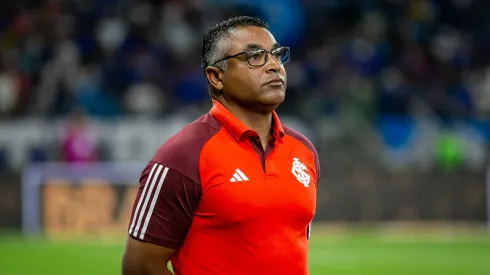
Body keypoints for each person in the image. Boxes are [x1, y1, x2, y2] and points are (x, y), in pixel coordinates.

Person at [121, 16, 320, 275]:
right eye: (255, 57)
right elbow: (139, 267)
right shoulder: (183, 155)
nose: (274, 66)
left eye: (277, 55)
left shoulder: (303, 151)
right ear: (216, 76)